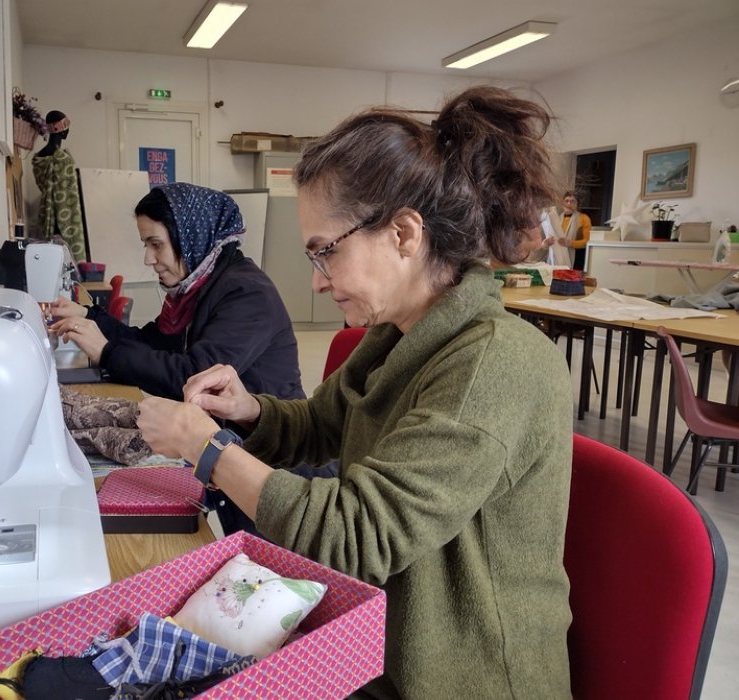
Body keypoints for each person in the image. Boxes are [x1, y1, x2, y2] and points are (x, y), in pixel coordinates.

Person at [135, 86, 574, 698]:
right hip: (381, 637)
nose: (318, 284)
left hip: (455, 674)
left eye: (325, 254)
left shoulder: (493, 366)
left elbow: (356, 537)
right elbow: (321, 425)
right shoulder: (397, 334)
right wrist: (249, 409)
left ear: (403, 234)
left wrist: (210, 452)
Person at [49, 183, 303, 403]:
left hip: (266, 451)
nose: (148, 258)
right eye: (146, 245)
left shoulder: (248, 295)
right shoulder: (197, 288)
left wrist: (107, 352)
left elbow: (193, 377)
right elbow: (150, 342)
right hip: (222, 431)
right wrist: (89, 316)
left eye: (156, 245)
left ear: (192, 239)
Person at [33, 110, 87, 262]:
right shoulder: (63, 159)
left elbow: (43, 186)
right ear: (62, 129)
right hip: (67, 217)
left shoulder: (40, 158)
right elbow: (69, 194)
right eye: (67, 126)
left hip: (46, 217)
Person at [556, 190, 592, 270]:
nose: (569, 204)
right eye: (567, 201)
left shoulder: (584, 218)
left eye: (572, 201)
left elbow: (587, 241)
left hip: (577, 257)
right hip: (559, 257)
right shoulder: (556, 219)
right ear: (563, 204)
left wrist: (570, 243)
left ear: (577, 205)